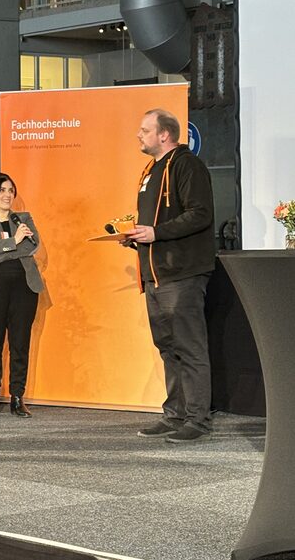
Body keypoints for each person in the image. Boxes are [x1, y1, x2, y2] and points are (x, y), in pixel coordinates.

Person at [127, 109, 215, 443]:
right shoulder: (151, 170)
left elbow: (200, 214)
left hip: (182, 273)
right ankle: (175, 414)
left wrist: (156, 233)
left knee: (189, 347)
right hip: (156, 274)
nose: (139, 134)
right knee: (168, 347)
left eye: (144, 129)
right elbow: (155, 225)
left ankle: (197, 420)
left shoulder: (186, 164)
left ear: (165, 134)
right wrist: (137, 237)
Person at [0, 172, 43, 419]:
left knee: (20, 343)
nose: (7, 195)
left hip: (24, 288)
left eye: (11, 190)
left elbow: (33, 246)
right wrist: (14, 241)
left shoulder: (23, 218)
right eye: (2, 190)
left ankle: (17, 397)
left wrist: (0, 248)